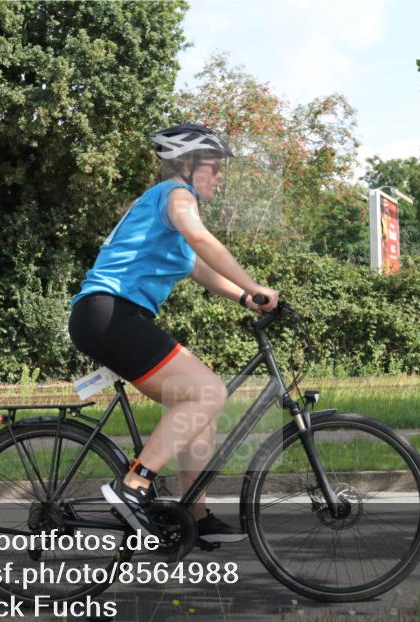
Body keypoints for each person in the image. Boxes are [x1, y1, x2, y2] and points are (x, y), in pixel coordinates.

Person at [68, 123, 279, 544]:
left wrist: (245, 298)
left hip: (113, 316)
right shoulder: (176, 195)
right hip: (109, 313)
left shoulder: (168, 210)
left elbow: (198, 267)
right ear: (187, 165)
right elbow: (201, 240)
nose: (219, 177)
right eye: (214, 168)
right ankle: (135, 484)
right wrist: (257, 285)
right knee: (207, 393)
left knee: (201, 401)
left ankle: (194, 516)